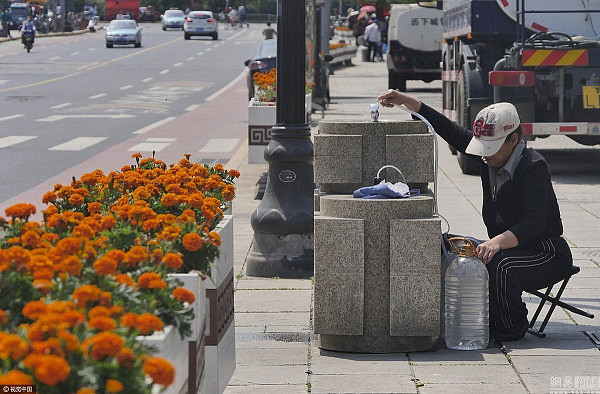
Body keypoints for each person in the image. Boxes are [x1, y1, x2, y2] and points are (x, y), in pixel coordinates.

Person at [376, 90, 573, 342]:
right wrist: (406, 101)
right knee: (446, 243)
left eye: (493, 147)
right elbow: (449, 130)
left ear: (513, 140)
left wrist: (496, 243)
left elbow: (535, 221)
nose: (486, 154)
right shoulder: (487, 157)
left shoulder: (533, 166)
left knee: (500, 265)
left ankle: (511, 326)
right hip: (507, 248)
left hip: (545, 252)